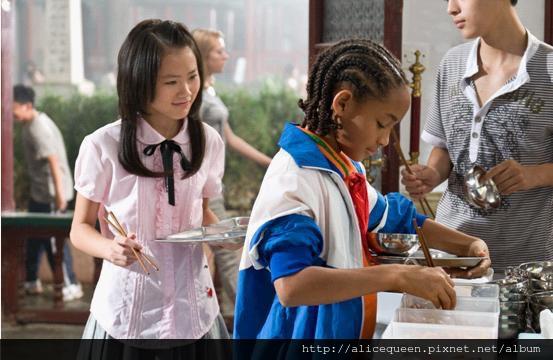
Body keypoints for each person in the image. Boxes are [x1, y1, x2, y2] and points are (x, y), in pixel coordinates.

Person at [233, 39, 491, 339]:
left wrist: (468, 245)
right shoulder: (295, 179)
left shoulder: (342, 168)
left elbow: (398, 220)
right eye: (382, 124)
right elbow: (292, 285)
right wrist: (397, 276)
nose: (385, 140)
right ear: (342, 104)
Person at [70, 20, 235, 350]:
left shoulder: (209, 142)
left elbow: (201, 214)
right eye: (171, 81)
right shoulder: (103, 145)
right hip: (126, 315)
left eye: (192, 76)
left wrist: (228, 237)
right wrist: (110, 249)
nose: (187, 91)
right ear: (140, 83)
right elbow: (80, 228)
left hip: (194, 315)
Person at [401, 0, 553, 272]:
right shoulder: (452, 63)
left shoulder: (549, 68)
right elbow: (446, 146)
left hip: (525, 265)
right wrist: (432, 174)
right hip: (451, 256)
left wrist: (534, 174)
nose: (451, 8)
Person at [192, 28, 271, 328]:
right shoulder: (194, 92)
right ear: (203, 55)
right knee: (228, 254)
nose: (226, 56)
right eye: (219, 51)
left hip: (214, 185)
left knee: (224, 255)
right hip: (201, 188)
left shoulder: (209, 89)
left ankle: (250, 325)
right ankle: (256, 328)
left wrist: (270, 161)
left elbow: (229, 137)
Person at [13, 84, 83, 302]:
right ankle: (33, 281)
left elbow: (53, 161)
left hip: (52, 195)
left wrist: (60, 196)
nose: (9, 112)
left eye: (12, 107)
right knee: (34, 237)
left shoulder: (37, 127)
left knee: (54, 241)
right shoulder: (30, 123)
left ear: (26, 106)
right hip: (40, 194)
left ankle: (70, 283)